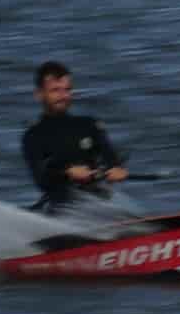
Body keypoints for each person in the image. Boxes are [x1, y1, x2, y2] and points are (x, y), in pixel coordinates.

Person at [18, 59, 130, 213]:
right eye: (55, 90)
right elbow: (41, 179)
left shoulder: (89, 125)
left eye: (67, 90)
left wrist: (116, 168)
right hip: (61, 209)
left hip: (99, 203)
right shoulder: (33, 136)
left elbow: (109, 154)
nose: (63, 96)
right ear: (39, 94)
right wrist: (67, 172)